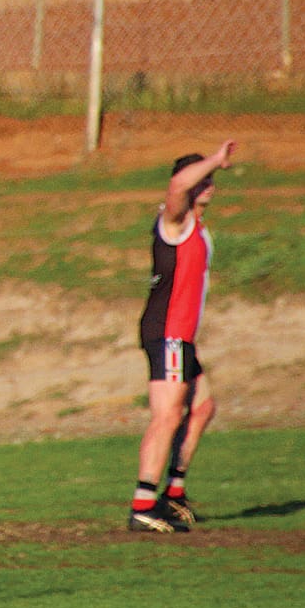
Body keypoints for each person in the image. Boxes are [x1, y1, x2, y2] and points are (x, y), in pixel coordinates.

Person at [127, 142, 234, 534]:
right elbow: (175, 188)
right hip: (167, 333)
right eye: (200, 178)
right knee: (168, 414)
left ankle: (173, 495)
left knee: (202, 407)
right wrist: (215, 160)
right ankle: (143, 504)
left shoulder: (201, 228)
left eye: (211, 179)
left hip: (183, 336)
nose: (207, 184)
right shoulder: (176, 222)